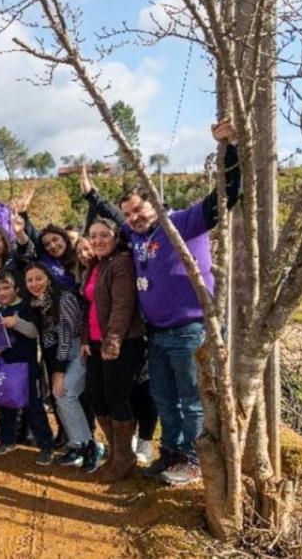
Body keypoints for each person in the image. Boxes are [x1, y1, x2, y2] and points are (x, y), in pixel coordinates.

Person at [81, 118, 240, 486]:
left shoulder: (183, 223)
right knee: (164, 397)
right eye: (130, 214)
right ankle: (171, 452)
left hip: (192, 329)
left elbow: (227, 194)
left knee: (192, 398)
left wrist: (229, 147)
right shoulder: (135, 236)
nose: (133, 218)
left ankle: (194, 459)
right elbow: (115, 219)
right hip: (157, 333)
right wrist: (92, 197)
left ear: (155, 201)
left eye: (140, 210)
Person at [79, 218, 146, 482]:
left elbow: (123, 306)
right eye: (93, 236)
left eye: (103, 235)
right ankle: (118, 452)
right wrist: (86, 338)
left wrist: (113, 341)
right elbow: (89, 307)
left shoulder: (121, 263)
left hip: (122, 342)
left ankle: (124, 458)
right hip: (95, 343)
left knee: (116, 397)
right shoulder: (95, 265)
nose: (97, 241)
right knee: (96, 395)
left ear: (115, 237)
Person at [25, 263, 98, 470]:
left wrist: (58, 371)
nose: (34, 284)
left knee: (65, 393)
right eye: (29, 280)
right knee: (61, 396)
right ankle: (79, 444)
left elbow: (66, 336)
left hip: (77, 350)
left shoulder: (64, 298)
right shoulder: (38, 303)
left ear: (49, 277)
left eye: (39, 278)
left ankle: (91, 445)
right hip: (59, 353)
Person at [0, 269, 55, 465]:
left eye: (6, 288)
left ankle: (46, 446)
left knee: (34, 408)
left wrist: (17, 323)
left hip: (25, 367)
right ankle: (7, 440)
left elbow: (34, 332)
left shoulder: (26, 308)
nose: (2, 292)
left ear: (16, 288)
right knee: (3, 406)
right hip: (2, 367)